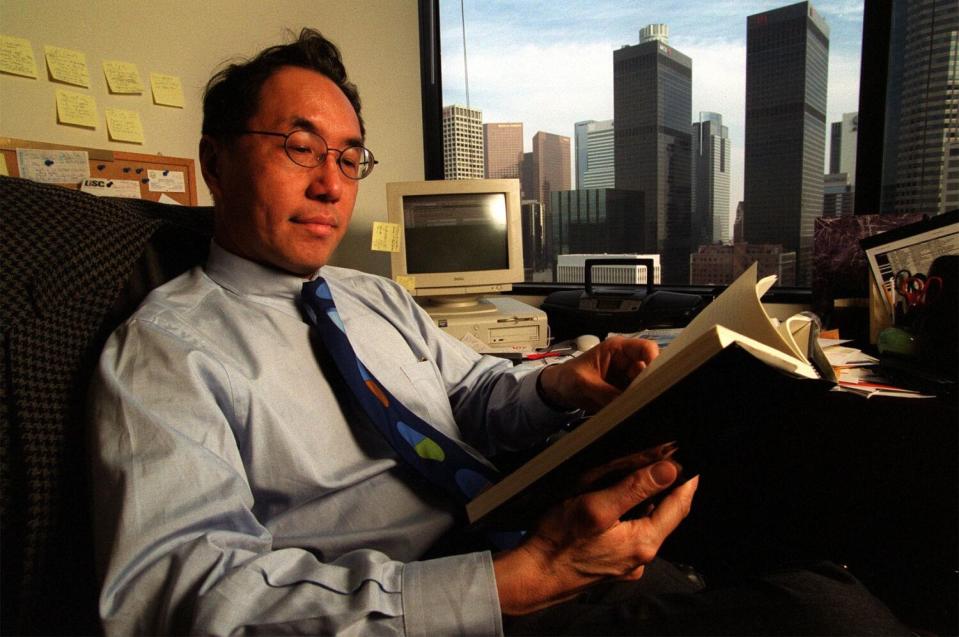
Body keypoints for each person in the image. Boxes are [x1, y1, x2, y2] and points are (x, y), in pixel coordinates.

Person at [89, 28, 908, 636]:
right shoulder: (166, 350)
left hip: (540, 547)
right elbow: (178, 594)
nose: (331, 182)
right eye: (299, 148)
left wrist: (561, 382)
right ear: (215, 162)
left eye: (349, 156)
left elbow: (474, 393)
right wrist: (507, 583)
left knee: (817, 567)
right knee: (828, 616)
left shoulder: (372, 298)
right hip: (431, 606)